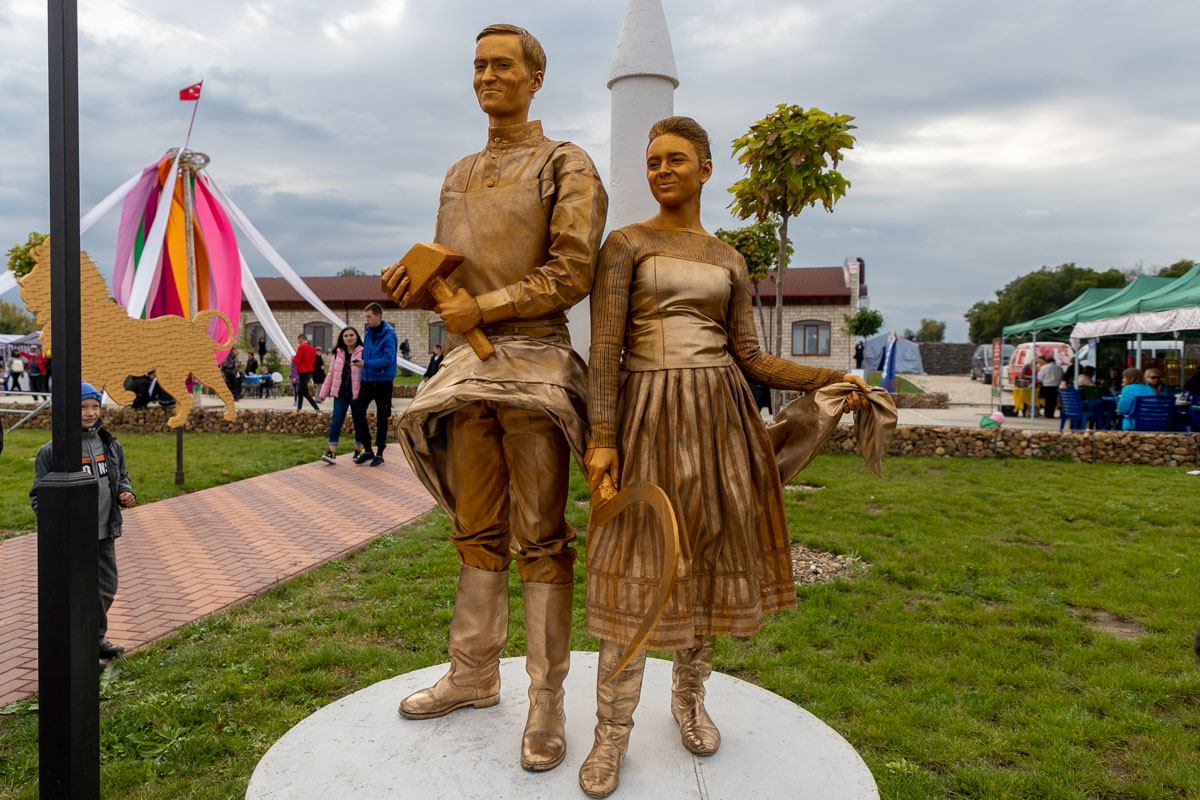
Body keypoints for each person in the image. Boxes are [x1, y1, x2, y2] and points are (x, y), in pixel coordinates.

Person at [580, 116, 870, 797]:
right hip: (647, 413)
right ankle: (610, 732)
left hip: (719, 421)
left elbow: (752, 356)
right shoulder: (624, 245)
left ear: (706, 169)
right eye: (653, 161)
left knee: (705, 557)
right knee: (638, 566)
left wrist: (828, 377)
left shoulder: (730, 258)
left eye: (676, 159)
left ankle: (688, 700)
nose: (662, 170)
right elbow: (603, 349)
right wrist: (601, 438)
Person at [382, 23, 607, 774]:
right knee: (476, 529)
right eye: (478, 64)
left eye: (502, 64)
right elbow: (453, 276)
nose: (487, 76)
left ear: (535, 77)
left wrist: (490, 308)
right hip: (464, 370)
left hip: (535, 361)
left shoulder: (566, 163)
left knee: (540, 536)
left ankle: (546, 699)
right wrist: (416, 285)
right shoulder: (457, 172)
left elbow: (573, 270)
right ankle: (474, 673)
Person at [30, 382, 136, 670]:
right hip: (74, 538)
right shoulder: (53, 451)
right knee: (78, 593)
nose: (90, 413)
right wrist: (57, 528)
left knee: (106, 587)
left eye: (95, 406)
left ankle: (95, 638)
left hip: (104, 531)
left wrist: (125, 492)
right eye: (82, 407)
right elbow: (40, 496)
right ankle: (80, 648)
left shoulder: (109, 444)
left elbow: (120, 477)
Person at [352, 302, 397, 466]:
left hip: (383, 381)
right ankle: (368, 449)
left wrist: (366, 364)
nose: (367, 320)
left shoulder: (389, 335)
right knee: (357, 412)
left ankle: (380, 453)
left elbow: (388, 359)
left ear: (378, 316)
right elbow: (366, 353)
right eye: (366, 317)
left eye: (369, 316)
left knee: (382, 417)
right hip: (368, 380)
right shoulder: (368, 332)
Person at [318, 327, 365, 464]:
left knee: (358, 422)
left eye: (351, 335)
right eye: (346, 336)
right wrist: (323, 393)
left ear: (356, 337)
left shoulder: (363, 351)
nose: (349, 338)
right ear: (342, 339)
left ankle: (358, 450)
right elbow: (331, 374)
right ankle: (331, 452)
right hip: (340, 393)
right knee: (336, 421)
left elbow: (367, 370)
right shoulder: (337, 353)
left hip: (357, 393)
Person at [291, 334, 321, 412]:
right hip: (310, 371)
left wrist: (293, 360)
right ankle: (299, 408)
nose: (298, 341)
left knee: (305, 392)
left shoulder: (301, 347)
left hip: (303, 371)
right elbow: (314, 359)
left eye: (298, 339)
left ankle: (316, 408)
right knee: (300, 391)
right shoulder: (312, 348)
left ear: (301, 339)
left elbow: (297, 359)